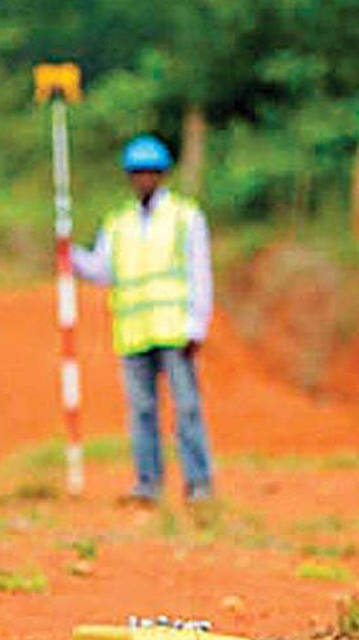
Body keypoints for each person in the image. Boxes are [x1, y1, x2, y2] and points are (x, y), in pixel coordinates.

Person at [71, 135, 214, 505]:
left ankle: (198, 483)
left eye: (150, 172)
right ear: (129, 177)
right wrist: (68, 254)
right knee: (142, 413)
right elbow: (103, 271)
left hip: (176, 331)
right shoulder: (118, 224)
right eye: (137, 173)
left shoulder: (186, 216)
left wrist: (197, 324)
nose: (144, 179)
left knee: (187, 409)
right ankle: (148, 483)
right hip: (133, 334)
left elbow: (200, 272)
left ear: (162, 174)